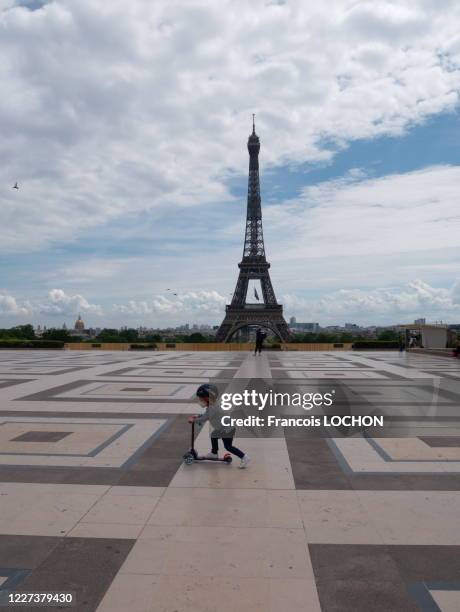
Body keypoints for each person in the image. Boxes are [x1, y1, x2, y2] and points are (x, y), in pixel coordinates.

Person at [189, 383, 250, 468]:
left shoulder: (212, 407)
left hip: (227, 429)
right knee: (213, 435)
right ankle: (214, 453)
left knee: (228, 447)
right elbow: (207, 415)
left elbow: (205, 417)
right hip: (223, 428)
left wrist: (194, 420)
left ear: (208, 398)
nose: (200, 401)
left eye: (201, 399)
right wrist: (198, 416)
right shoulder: (212, 405)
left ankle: (244, 457)